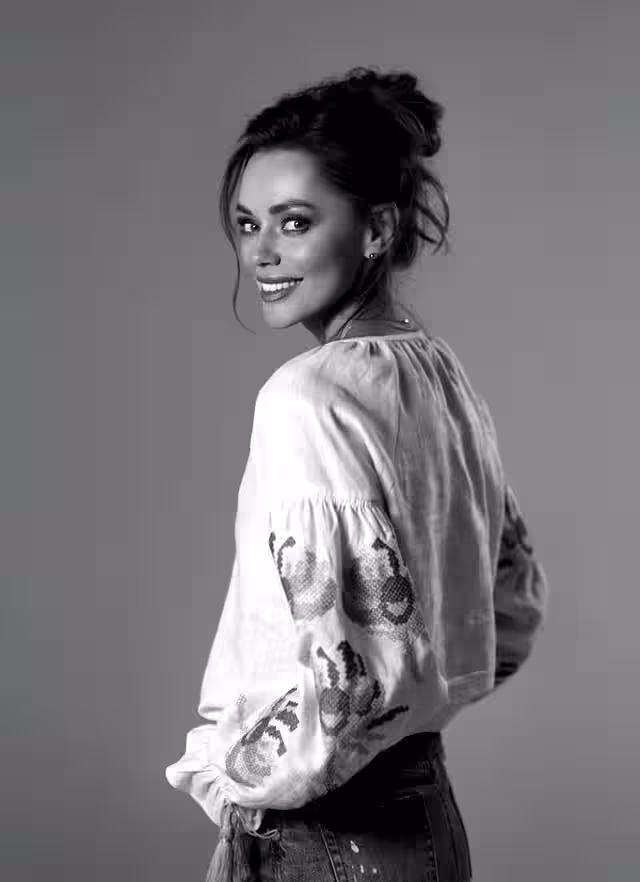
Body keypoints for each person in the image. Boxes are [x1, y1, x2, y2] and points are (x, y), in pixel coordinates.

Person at [165, 66, 549, 882]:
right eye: (247, 224)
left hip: (325, 834)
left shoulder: (305, 396)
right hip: (427, 820)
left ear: (376, 229)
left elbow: (341, 705)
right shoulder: (439, 374)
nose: (261, 252)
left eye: (295, 222)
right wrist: (421, 706)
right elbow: (511, 607)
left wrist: (235, 785)